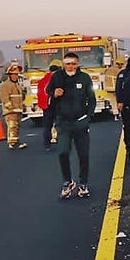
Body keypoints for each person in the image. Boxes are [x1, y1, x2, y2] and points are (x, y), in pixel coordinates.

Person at [46, 52, 96, 199]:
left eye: (73, 63)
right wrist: (54, 93)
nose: (71, 66)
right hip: (63, 123)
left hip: (81, 122)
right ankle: (67, 182)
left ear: (78, 64)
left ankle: (83, 183)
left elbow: (91, 98)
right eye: (68, 63)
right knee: (63, 152)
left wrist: (88, 117)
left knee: (84, 155)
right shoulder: (57, 77)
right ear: (63, 64)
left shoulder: (84, 78)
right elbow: (48, 91)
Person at [0, 64, 27, 150]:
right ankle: (12, 143)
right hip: (10, 111)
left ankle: (16, 141)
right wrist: (10, 106)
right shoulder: (6, 85)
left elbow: (21, 97)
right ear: (10, 75)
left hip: (18, 110)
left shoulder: (18, 85)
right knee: (12, 126)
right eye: (14, 74)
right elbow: (4, 97)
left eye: (16, 75)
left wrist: (24, 105)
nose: (15, 76)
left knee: (17, 127)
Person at [37, 61, 60, 150]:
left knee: (47, 126)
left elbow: (39, 94)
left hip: (46, 107)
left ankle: (47, 144)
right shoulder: (58, 79)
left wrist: (42, 105)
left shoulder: (42, 81)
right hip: (56, 106)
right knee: (60, 124)